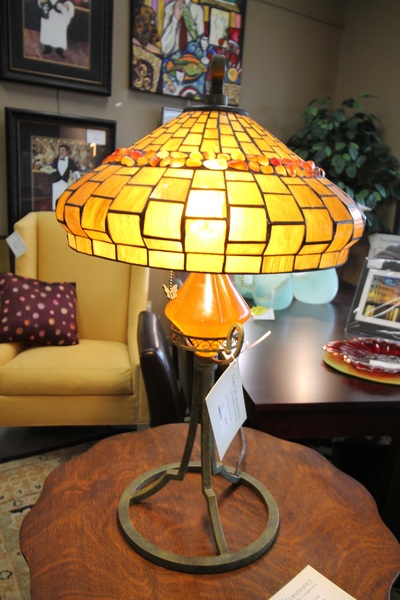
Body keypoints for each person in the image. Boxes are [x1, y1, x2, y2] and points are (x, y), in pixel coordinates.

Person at [51, 144, 80, 210]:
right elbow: (51, 169)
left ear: (67, 152)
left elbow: (76, 172)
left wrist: (73, 176)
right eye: (60, 150)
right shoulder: (55, 160)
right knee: (55, 199)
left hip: (66, 184)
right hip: (56, 183)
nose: (61, 152)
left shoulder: (71, 161)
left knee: (65, 199)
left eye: (62, 150)